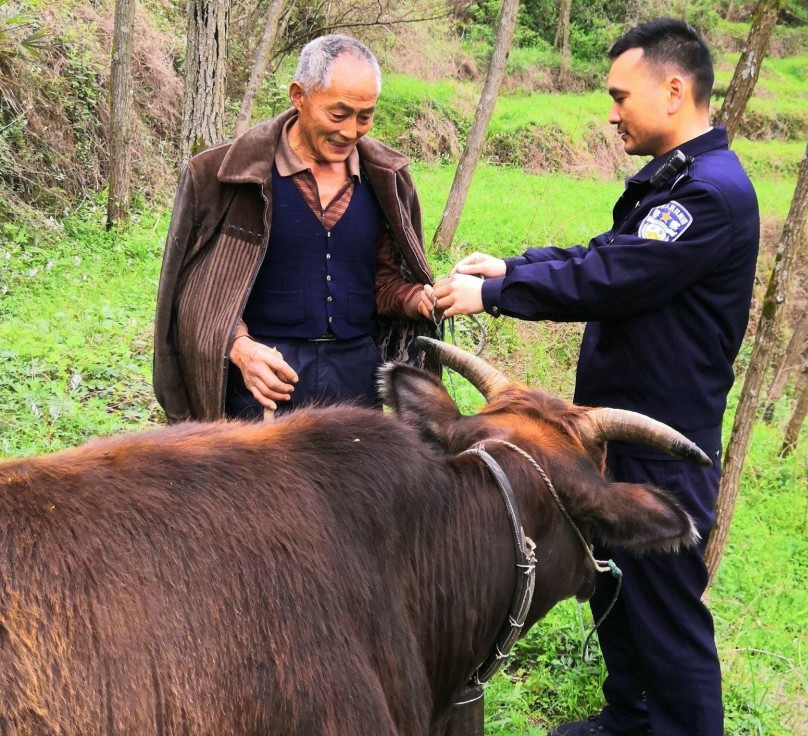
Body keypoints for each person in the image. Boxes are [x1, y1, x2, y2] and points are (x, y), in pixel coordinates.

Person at [432, 18, 759, 736]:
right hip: (624, 432)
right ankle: (629, 718)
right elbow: (609, 250)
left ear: (674, 91)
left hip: (662, 445)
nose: (612, 113)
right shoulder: (681, 179)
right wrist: (513, 269)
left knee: (667, 614)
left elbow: (614, 275)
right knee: (620, 592)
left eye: (621, 96)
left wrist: (494, 295)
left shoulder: (710, 194)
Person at [154, 34, 436, 423]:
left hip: (355, 384)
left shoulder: (389, 180)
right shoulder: (219, 177)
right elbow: (190, 292)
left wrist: (419, 300)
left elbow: (384, 284)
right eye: (338, 114)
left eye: (365, 115)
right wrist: (240, 347)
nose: (352, 130)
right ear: (298, 95)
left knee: (357, 486)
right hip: (262, 384)